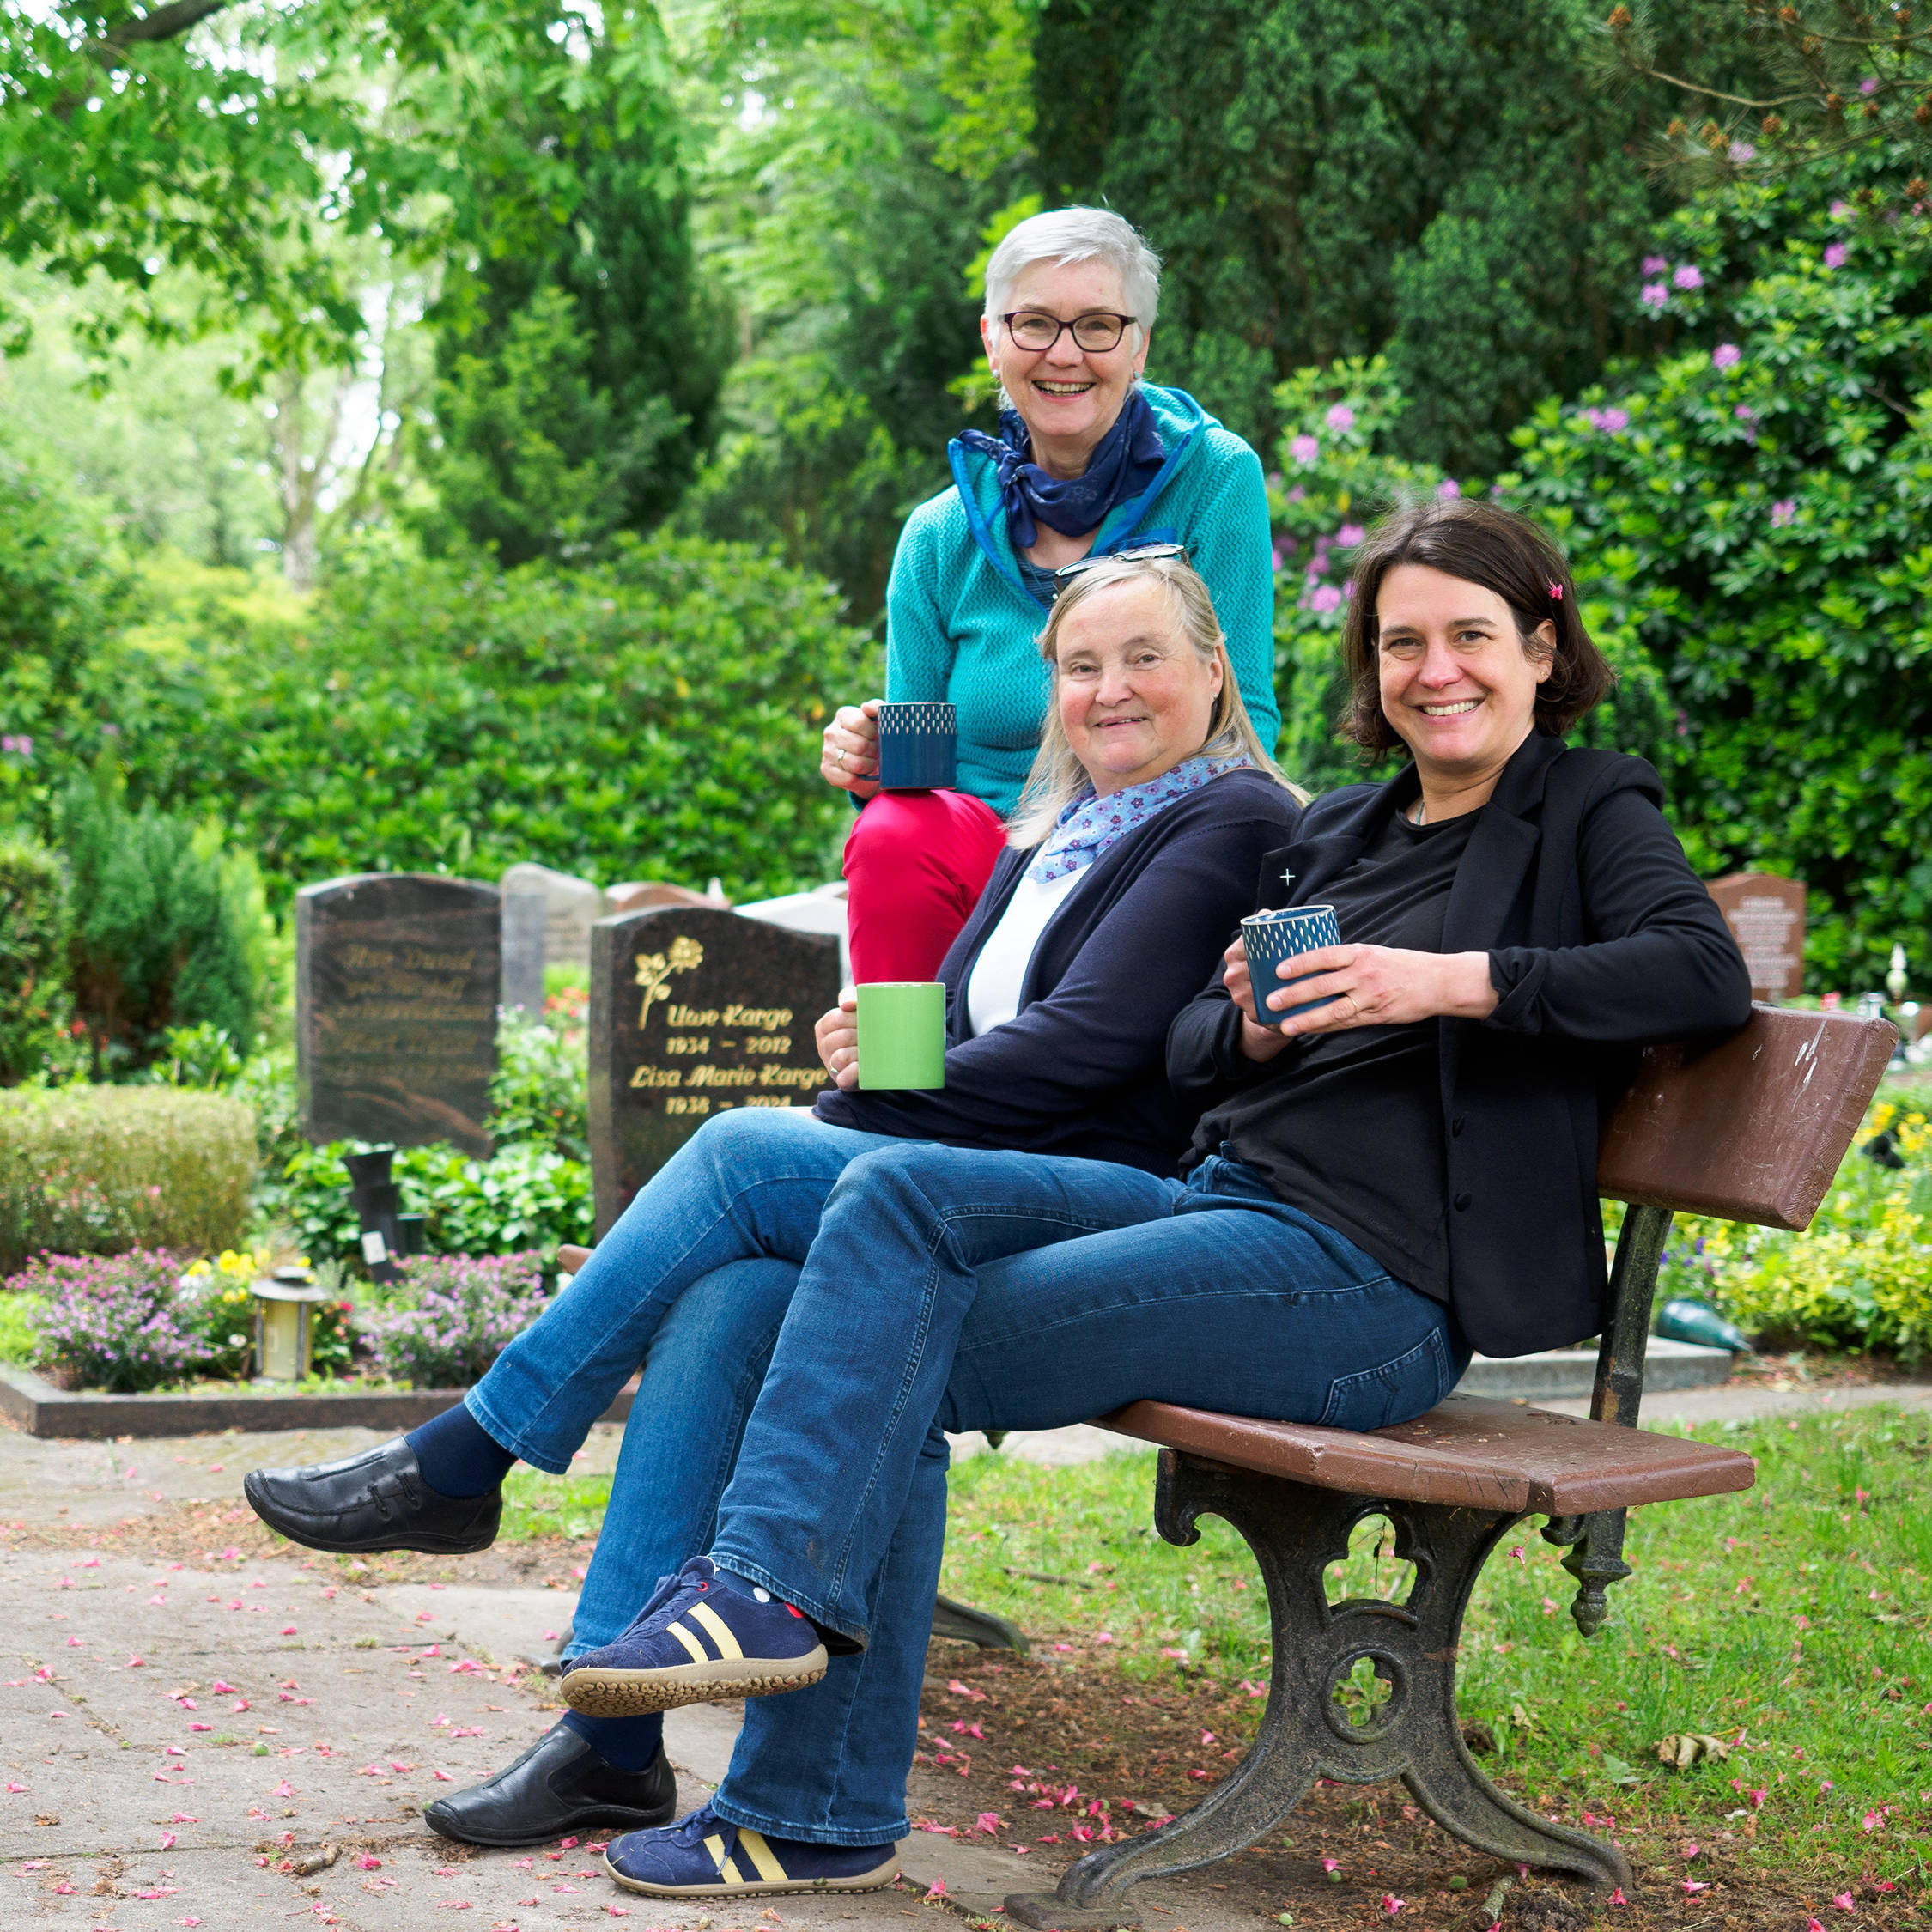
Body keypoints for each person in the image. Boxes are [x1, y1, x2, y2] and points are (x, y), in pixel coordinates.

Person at [500, 497, 1748, 1903]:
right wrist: (1256, 1029)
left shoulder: (1583, 807)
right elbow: (1193, 1055)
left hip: (1376, 1288)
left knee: (873, 1338)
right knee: (812, 1275)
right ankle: (790, 1730)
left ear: (1539, 645)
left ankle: (784, 1705)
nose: (1436, 671)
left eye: (1471, 637)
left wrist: (1450, 982)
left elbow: (1697, 975)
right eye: (1404, 642)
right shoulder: (1340, 833)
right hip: (1226, 1209)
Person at [243, 551, 1304, 1850]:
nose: (1111, 689)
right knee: (735, 1294)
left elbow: (1093, 1049)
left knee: (748, 1151)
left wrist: (871, 1107)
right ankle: (607, 1741)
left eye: (1144, 658)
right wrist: (879, 1047)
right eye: (1081, 666)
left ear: (1212, 670)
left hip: (1121, 1203)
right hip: (980, 1180)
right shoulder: (1063, 828)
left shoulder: (1231, 815)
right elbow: (993, 1028)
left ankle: (468, 1455)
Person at [820, 205, 1281, 983]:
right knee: (896, 829)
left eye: (1098, 324)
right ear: (992, 341)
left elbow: (1247, 723)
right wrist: (874, 762)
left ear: (1139, 346)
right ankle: (897, 1081)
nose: (1064, 354)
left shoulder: (1214, 480)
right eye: (1033, 322)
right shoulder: (938, 537)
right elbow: (912, 785)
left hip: (1152, 850)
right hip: (988, 860)